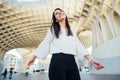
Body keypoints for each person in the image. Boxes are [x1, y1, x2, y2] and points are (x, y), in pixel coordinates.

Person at [28, 8, 104, 80]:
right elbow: (46, 42)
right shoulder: (54, 28)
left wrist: (91, 60)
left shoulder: (72, 31)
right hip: (58, 62)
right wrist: (33, 57)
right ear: (56, 20)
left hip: (72, 62)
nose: (59, 13)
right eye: (57, 13)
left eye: (61, 11)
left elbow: (78, 45)